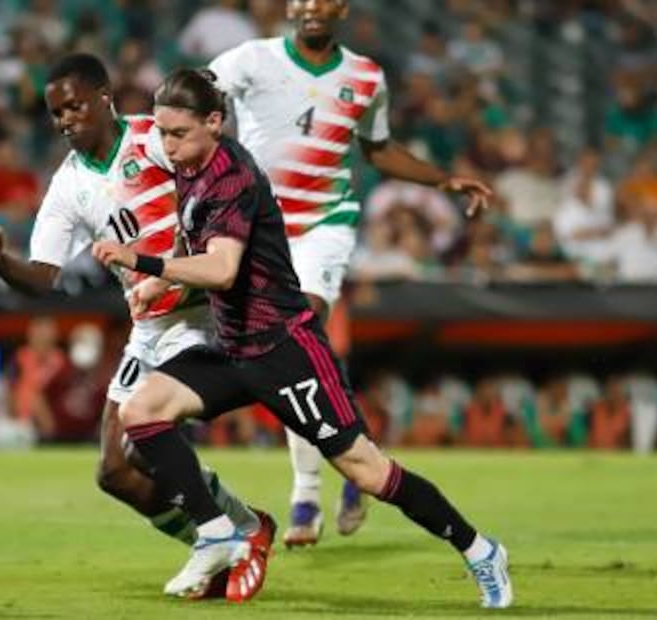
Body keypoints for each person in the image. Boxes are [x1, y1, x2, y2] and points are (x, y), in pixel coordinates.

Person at [92, 68, 512, 608]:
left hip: (284, 348)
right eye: (163, 133)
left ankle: (479, 550)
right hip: (233, 345)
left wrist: (141, 261)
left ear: (215, 123)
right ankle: (218, 531)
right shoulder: (191, 167)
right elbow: (200, 250)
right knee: (142, 410)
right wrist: (156, 283)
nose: (166, 145)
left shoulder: (231, 176)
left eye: (178, 134)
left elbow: (222, 270)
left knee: (367, 469)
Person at [0, 54, 274, 601]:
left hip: (201, 312)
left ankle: (224, 535)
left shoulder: (152, 139)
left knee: (143, 438)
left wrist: (193, 253)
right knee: (114, 472)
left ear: (105, 97)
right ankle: (241, 528)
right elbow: (43, 277)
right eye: (56, 112)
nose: (65, 119)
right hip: (148, 326)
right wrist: (0, 264)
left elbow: (216, 183)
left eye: (74, 105)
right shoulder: (67, 186)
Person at [209, 0, 493, 545]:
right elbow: (192, 96)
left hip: (323, 226)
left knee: (295, 332)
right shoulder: (250, 59)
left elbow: (379, 151)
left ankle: (305, 496)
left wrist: (442, 181)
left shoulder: (364, 76)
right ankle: (355, 458)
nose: (311, 6)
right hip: (257, 227)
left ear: (341, 7)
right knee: (290, 355)